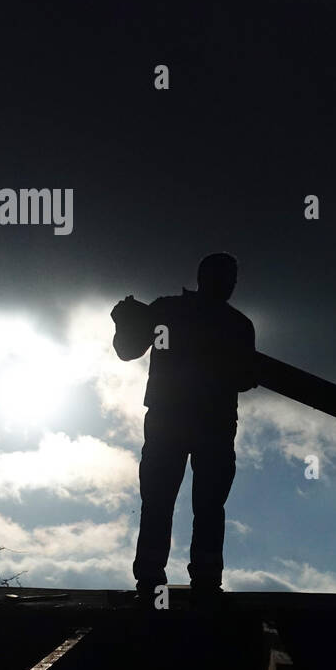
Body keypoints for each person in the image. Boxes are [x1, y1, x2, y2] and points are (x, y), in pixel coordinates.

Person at [110, 252, 258, 608]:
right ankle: (164, 577)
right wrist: (125, 321)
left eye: (233, 277)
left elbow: (244, 377)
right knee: (171, 500)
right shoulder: (201, 317)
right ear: (206, 277)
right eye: (226, 277)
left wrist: (125, 321)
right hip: (186, 420)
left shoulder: (182, 313)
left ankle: (188, 578)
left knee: (193, 503)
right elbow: (129, 349)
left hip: (194, 421)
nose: (231, 284)